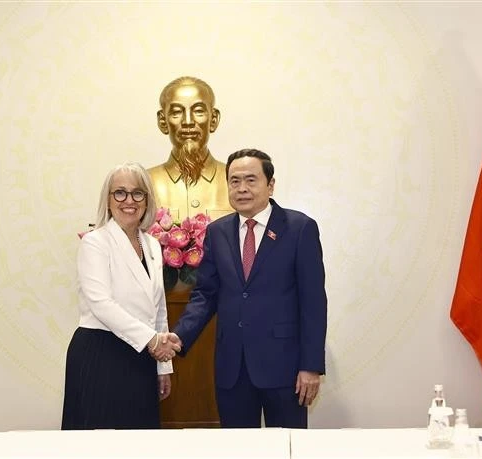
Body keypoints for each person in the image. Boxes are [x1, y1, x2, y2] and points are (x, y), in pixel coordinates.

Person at [167, 149, 327, 428]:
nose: (242, 188)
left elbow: (313, 303)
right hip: (233, 368)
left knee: (287, 448)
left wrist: (310, 366)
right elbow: (206, 294)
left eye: (251, 180)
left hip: (285, 368)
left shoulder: (299, 228)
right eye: (234, 180)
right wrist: (179, 337)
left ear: (270, 184)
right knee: (238, 450)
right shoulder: (217, 232)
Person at [61, 162, 181, 430]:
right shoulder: (95, 242)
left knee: (139, 442)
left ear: (147, 199)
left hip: (141, 357)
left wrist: (164, 367)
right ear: (108, 199)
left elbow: (158, 309)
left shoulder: (151, 244)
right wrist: (153, 341)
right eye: (120, 193)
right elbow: (102, 305)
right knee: (101, 444)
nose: (129, 200)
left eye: (138, 193)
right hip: (101, 353)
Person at [148, 76, 234, 221]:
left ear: (213, 120)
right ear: (163, 121)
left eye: (198, 111)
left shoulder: (235, 182)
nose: (188, 122)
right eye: (176, 112)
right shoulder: (144, 184)